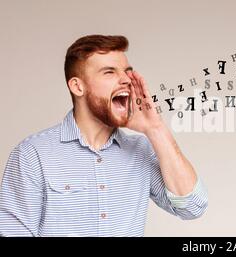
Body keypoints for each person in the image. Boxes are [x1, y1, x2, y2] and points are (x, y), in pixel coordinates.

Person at [0, 35, 208, 236]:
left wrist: (155, 128)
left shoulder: (140, 149)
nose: (126, 80)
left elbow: (191, 207)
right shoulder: (33, 154)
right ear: (77, 86)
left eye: (127, 71)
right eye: (109, 72)